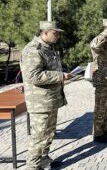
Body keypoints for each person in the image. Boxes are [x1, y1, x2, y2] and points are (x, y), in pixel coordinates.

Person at [20, 21, 73, 170]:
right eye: (55, 33)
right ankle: (33, 166)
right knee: (39, 137)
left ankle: (44, 160)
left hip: (51, 100)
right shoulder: (33, 50)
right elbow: (33, 76)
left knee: (48, 134)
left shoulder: (48, 48)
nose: (58, 36)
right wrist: (60, 76)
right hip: (40, 102)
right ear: (44, 32)